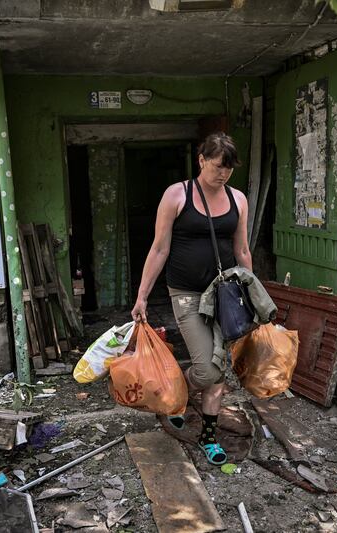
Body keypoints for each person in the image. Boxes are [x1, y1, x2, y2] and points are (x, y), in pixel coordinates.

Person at [130, 132, 252, 466]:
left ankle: (209, 438)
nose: (222, 174)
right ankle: (179, 388)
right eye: (216, 166)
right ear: (201, 160)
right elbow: (159, 248)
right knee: (208, 368)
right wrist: (142, 296)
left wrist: (252, 292)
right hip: (186, 293)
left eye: (228, 169)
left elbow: (241, 249)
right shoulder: (177, 195)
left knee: (218, 371)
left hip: (225, 295)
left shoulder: (238, 199)